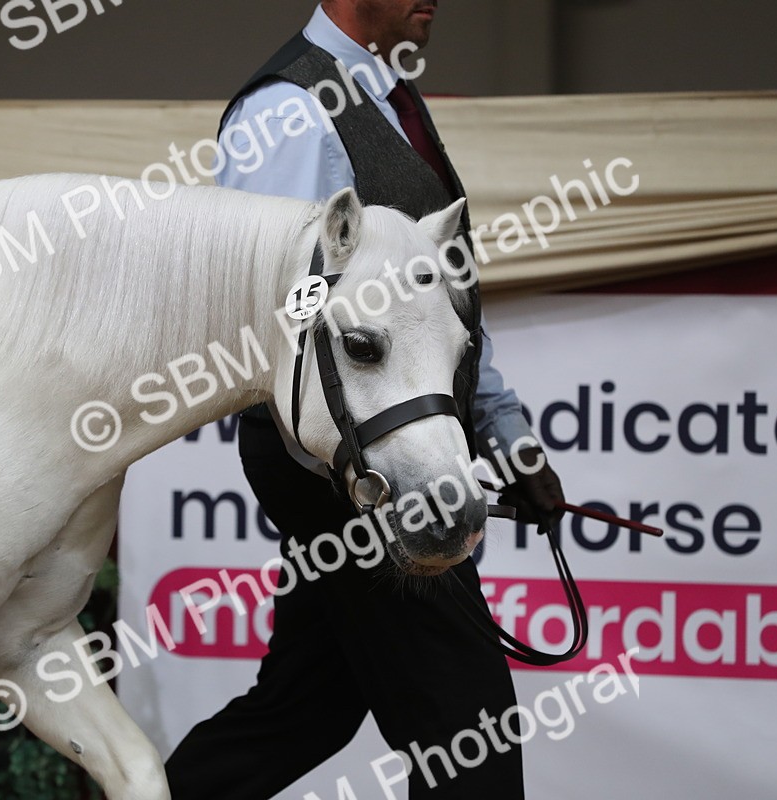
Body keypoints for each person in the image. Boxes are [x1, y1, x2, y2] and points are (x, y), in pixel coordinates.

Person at [164, 2, 565, 798]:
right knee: (471, 737)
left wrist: (503, 430)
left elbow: (423, 308)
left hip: (379, 445)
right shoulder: (288, 111)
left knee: (305, 709)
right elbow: (273, 318)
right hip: (344, 464)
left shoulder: (385, 93)